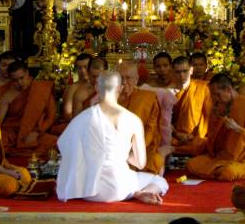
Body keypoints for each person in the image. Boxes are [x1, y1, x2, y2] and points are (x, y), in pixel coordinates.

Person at [56, 70, 169, 203]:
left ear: (97, 88)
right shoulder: (133, 120)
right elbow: (140, 163)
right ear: (120, 88)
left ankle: (137, 192)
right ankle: (143, 192)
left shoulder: (82, 119)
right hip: (120, 189)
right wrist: (120, 152)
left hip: (88, 191)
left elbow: (65, 148)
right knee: (159, 180)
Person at [186, 73, 245, 181]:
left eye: (217, 94)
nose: (215, 99)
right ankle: (216, 171)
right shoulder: (220, 107)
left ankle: (218, 171)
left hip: (244, 159)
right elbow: (214, 139)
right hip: (222, 156)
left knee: (228, 172)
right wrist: (216, 119)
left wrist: (239, 129)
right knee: (191, 164)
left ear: (228, 90)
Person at [117, 60, 167, 175]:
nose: (124, 82)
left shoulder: (147, 98)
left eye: (128, 78)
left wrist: (136, 150)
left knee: (155, 161)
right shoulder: (109, 98)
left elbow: (151, 129)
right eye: (120, 78)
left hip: (141, 148)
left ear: (136, 79)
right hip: (114, 149)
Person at [0, 61, 57, 156]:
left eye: (22, 78)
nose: (19, 83)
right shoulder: (7, 94)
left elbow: (50, 117)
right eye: (15, 80)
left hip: (34, 132)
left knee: (55, 142)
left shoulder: (41, 88)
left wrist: (37, 132)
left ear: (27, 73)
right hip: (12, 134)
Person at [171, 56, 212, 156]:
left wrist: (195, 136)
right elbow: (163, 119)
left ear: (191, 70)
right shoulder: (168, 92)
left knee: (201, 144)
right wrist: (176, 134)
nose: (182, 75)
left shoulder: (204, 87)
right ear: (172, 72)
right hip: (174, 136)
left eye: (185, 71)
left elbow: (208, 115)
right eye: (178, 72)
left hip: (196, 137)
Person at [61, 54, 102, 121]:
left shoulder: (102, 86)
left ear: (91, 67)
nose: (82, 71)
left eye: (85, 67)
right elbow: (67, 114)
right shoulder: (73, 88)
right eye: (79, 68)